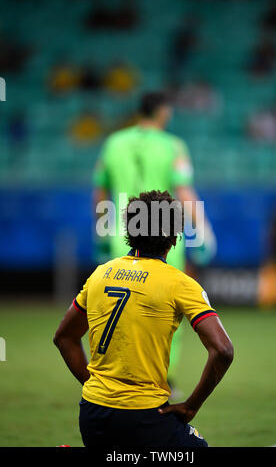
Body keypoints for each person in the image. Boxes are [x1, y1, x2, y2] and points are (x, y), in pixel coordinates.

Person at [53, 190, 233, 447]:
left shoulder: (100, 274)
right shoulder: (180, 283)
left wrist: (97, 388)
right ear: (174, 237)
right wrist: (192, 405)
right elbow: (223, 349)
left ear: (130, 230)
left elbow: (64, 337)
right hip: (146, 417)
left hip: (93, 415)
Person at [92, 91, 217, 388]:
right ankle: (162, 378)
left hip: (121, 233)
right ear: (164, 112)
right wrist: (204, 230)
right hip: (162, 232)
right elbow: (184, 192)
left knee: (118, 307)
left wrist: (100, 230)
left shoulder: (113, 143)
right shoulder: (173, 146)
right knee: (167, 309)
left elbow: (100, 191)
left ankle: (117, 375)